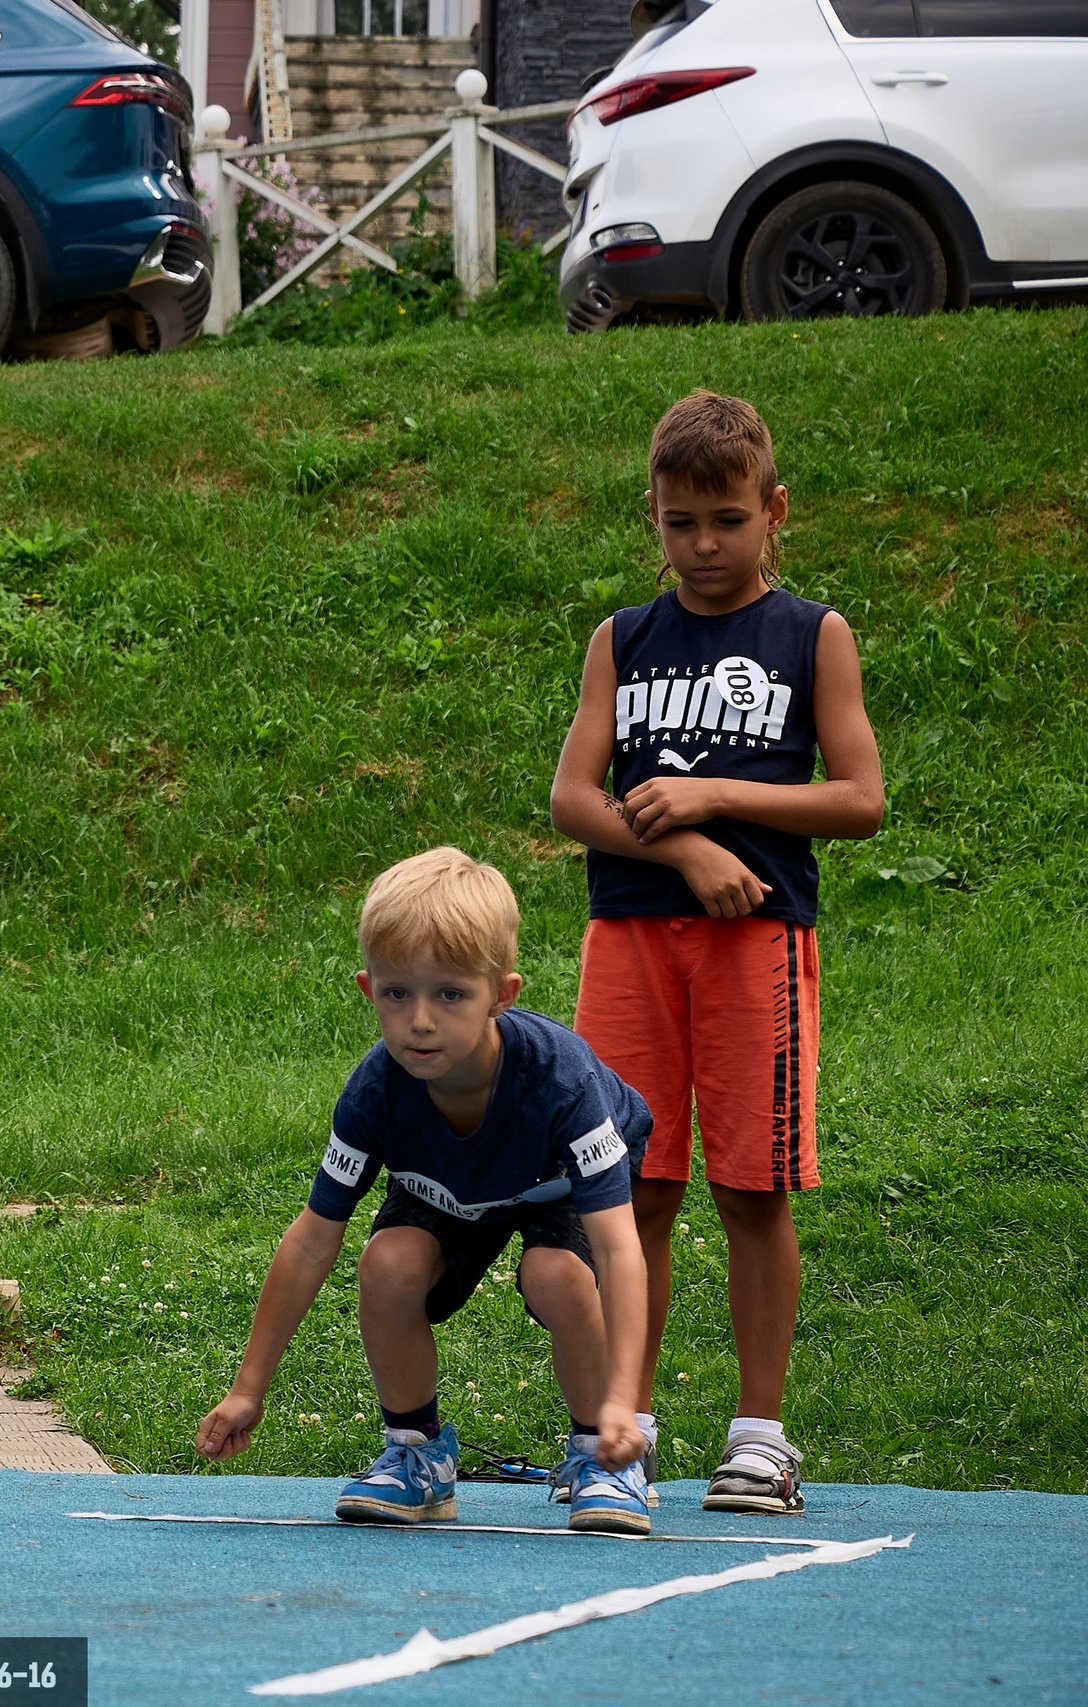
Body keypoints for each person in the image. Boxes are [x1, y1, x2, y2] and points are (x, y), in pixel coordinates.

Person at [551, 391, 883, 1516]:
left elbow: (859, 798)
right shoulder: (622, 638)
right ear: (651, 515)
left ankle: (760, 1439)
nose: (703, 545)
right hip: (629, 942)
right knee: (631, 1188)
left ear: (773, 511)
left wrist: (715, 797)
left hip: (756, 949)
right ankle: (622, 1433)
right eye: (679, 522)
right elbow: (573, 799)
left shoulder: (812, 634)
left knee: (751, 1189)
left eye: (728, 520)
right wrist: (685, 847)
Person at [196, 849, 657, 1535]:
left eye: (449, 994)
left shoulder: (562, 1082)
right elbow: (312, 1240)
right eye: (396, 993)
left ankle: (605, 1452)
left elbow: (619, 1251)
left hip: (553, 1181)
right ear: (367, 988)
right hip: (450, 1187)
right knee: (388, 1263)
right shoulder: (375, 1093)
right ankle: (418, 1454)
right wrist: (248, 1388)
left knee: (557, 1274)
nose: (419, 1020)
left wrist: (624, 1398)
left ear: (501, 994)